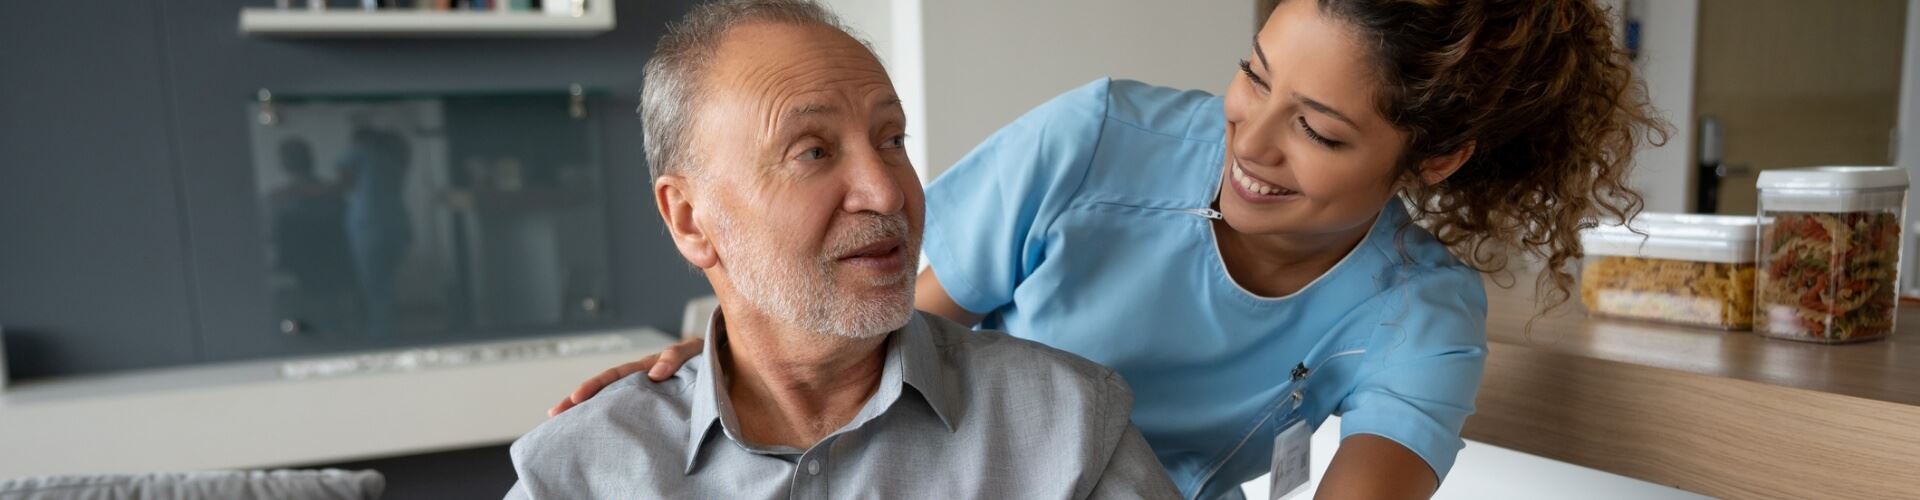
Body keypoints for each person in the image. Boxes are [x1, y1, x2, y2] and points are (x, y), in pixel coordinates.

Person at [557, 0, 1667, 498]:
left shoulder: (1417, 316)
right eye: (1255, 77)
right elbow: (882, 344)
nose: (1252, 145)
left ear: (1433, 158)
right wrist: (727, 378)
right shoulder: (1098, 142)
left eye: (1321, 132)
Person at [505, 1, 1181, 498]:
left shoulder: (1072, 425)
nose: (886, 192)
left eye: (892, 140)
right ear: (690, 219)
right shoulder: (576, 473)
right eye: (814, 152)